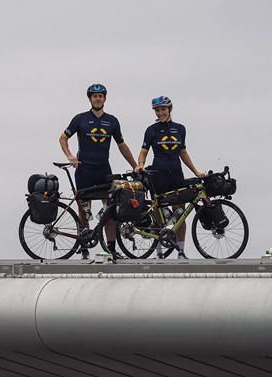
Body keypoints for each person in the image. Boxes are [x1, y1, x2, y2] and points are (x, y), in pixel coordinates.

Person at [60, 83, 138, 259]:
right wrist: (70, 156)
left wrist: (135, 166)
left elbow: (122, 146)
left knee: (110, 209)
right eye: (94, 96)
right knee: (84, 208)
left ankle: (111, 248)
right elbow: (63, 138)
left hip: (103, 169)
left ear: (105, 99)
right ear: (90, 99)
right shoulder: (80, 119)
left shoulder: (112, 121)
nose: (97, 99)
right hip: (84, 169)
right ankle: (84, 246)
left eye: (100, 96)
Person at [135, 96, 205, 259]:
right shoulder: (151, 130)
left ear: (170, 110)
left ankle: (180, 251)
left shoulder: (180, 129)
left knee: (180, 213)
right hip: (158, 174)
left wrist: (195, 171)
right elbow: (144, 151)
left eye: (163, 110)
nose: (160, 113)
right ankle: (159, 253)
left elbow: (183, 152)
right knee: (159, 214)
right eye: (157, 111)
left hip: (176, 174)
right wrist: (140, 164)